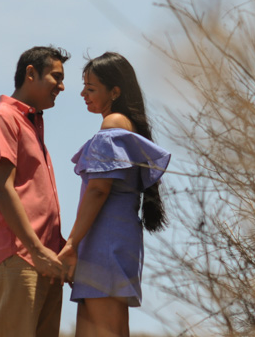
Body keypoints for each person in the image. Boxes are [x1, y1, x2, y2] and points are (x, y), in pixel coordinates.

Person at [58, 52, 171, 337]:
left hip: (105, 242)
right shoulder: (122, 125)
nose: (83, 93)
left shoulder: (113, 124)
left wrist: (71, 244)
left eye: (91, 88)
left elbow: (98, 189)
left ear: (115, 91)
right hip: (111, 240)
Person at [0, 45, 71, 337]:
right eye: (56, 76)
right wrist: (36, 249)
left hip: (44, 262)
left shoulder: (31, 124)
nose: (62, 87)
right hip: (18, 257)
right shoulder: (1, 118)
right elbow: (2, 188)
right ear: (31, 73)